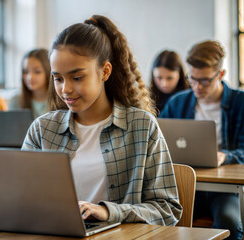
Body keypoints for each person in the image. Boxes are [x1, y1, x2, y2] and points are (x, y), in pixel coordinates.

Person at [22, 15, 182, 226]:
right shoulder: (42, 129)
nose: (65, 89)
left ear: (105, 71)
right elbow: (22, 199)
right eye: (58, 78)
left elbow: (167, 209)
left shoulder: (142, 127)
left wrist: (109, 212)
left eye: (77, 77)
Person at [160, 40, 243, 239]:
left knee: (229, 222)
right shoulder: (178, 102)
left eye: (204, 80)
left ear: (220, 75)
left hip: (224, 190)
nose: (197, 86)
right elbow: (157, 141)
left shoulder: (240, 103)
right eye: (192, 79)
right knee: (165, 219)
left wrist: (225, 156)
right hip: (185, 184)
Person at [9, 49, 50, 119]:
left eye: (37, 72)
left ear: (48, 72)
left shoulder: (61, 101)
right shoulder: (16, 100)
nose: (29, 77)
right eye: (25, 72)